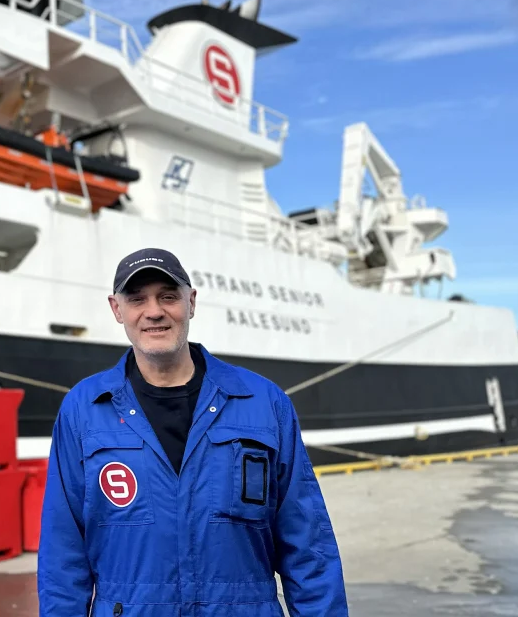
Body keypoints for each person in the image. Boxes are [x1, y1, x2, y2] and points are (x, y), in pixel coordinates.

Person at [37, 247, 347, 616]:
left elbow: (307, 543)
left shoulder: (264, 403)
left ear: (192, 302)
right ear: (117, 309)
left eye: (168, 296)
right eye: (137, 299)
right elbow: (63, 550)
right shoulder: (85, 409)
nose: (154, 311)